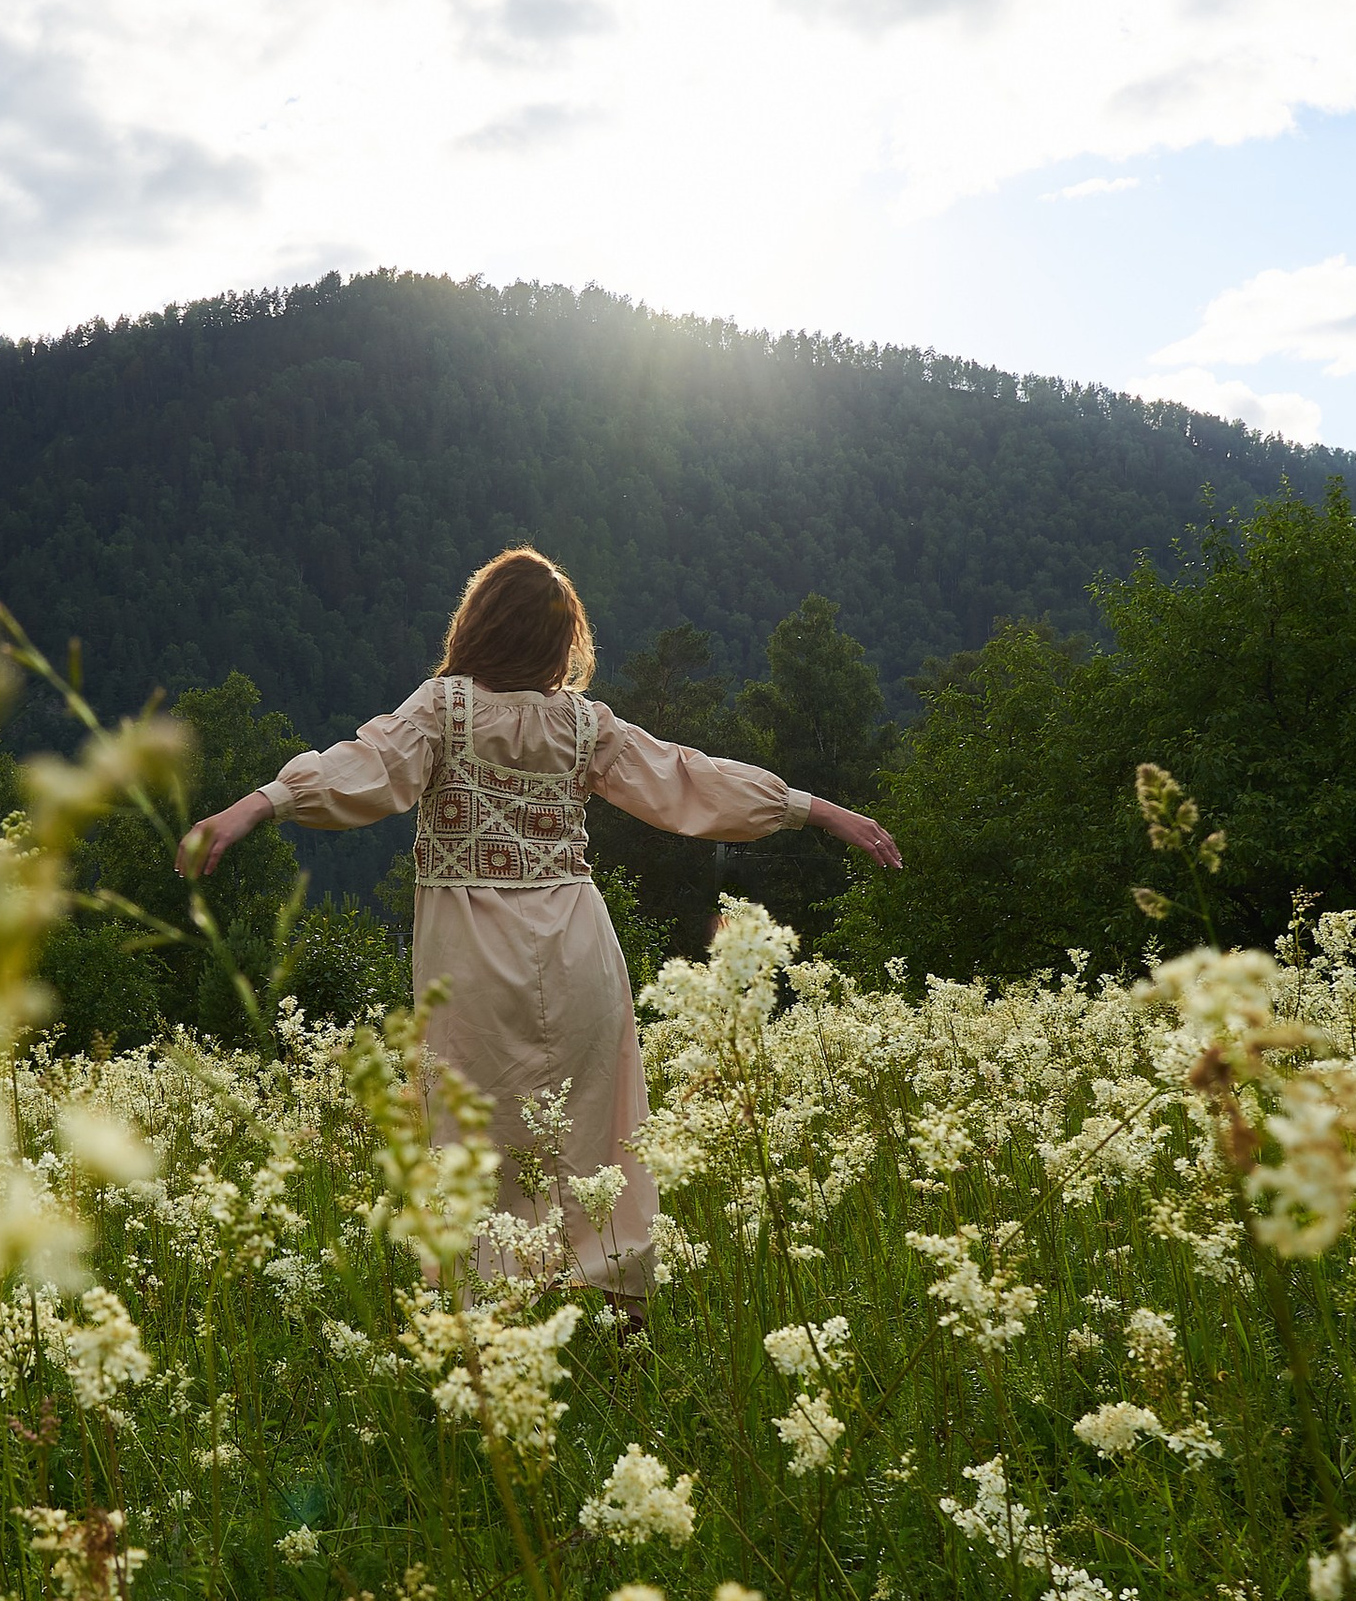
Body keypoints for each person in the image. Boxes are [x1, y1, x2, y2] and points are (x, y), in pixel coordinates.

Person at [178, 546, 900, 1302]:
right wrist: (811, 807)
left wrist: (258, 802)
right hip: (580, 949)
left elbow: (361, 766)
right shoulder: (584, 726)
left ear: (480, 624)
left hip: (472, 961)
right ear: (560, 642)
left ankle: (488, 1324)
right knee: (596, 1133)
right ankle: (617, 1320)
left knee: (477, 1141)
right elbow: (689, 778)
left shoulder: (443, 709)